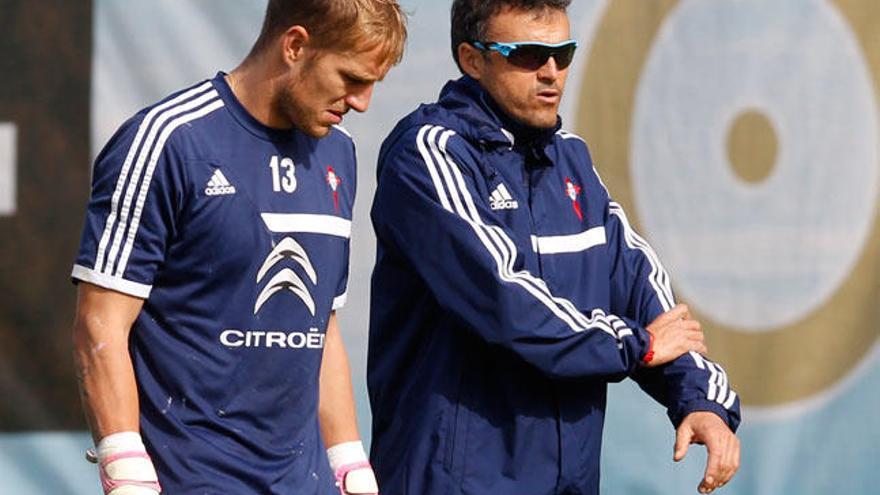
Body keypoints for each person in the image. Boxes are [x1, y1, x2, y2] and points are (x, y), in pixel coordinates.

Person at [367, 1, 741, 494]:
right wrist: (638, 346)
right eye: (527, 54)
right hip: (453, 482)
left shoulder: (571, 160)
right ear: (472, 58)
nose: (550, 73)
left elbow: (639, 284)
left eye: (562, 54)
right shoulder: (429, 152)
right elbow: (505, 300)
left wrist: (700, 400)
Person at [71, 1, 406, 493]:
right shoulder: (167, 140)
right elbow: (99, 322)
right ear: (294, 45)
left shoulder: (341, 152)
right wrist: (126, 471)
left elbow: (320, 324)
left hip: (304, 482)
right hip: (191, 480)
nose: (362, 103)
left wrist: (350, 464)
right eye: (351, 78)